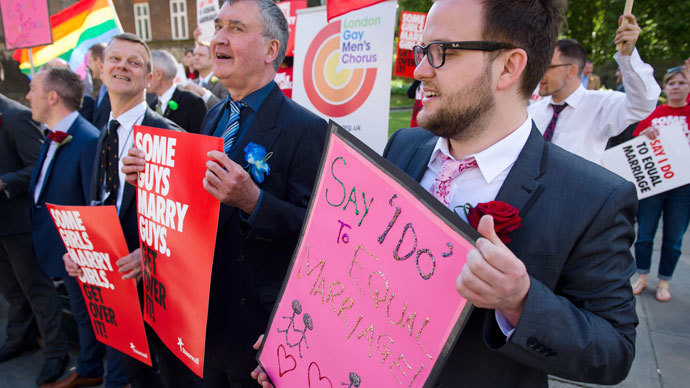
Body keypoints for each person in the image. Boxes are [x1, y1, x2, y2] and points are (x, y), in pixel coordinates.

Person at [255, 0, 639, 386]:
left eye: (441, 52)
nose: (420, 70)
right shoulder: (404, 146)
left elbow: (613, 352)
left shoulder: (593, 198)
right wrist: (301, 347)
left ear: (508, 67)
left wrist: (521, 302)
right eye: (423, 52)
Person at [123, 1, 327, 387]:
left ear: (270, 51)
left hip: (256, 333)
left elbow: (315, 234)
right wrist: (153, 181)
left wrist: (255, 201)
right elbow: (195, 209)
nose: (218, 37)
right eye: (218, 27)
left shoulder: (307, 129)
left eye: (235, 28)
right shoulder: (214, 116)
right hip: (202, 319)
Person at [59, 33, 184, 388]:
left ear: (148, 78)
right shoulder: (103, 136)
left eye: (134, 62)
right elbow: (101, 205)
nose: (122, 67)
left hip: (161, 292)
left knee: (175, 380)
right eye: (115, 59)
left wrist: (152, 257)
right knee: (135, 376)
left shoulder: (168, 135)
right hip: (115, 290)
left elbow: (189, 222)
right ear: (101, 70)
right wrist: (81, 250)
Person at [26, 66, 106, 388]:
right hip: (57, 247)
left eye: (33, 88)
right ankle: (88, 365)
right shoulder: (52, 135)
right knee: (79, 309)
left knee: (87, 313)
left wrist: (83, 253)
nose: (28, 95)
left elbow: (93, 204)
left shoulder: (87, 140)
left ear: (52, 96)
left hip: (78, 254)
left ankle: (90, 369)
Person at [0, 63, 70, 386]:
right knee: (12, 290)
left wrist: (3, 183)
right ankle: (20, 338)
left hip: (19, 222)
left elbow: (38, 166)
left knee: (37, 289)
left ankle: (56, 351)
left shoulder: (14, 116)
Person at [528, 24, 660, 164]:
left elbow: (642, 103)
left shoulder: (601, 105)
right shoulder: (533, 112)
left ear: (572, 71)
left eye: (548, 67)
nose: (540, 73)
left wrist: (628, 56)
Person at [631, 67, 690, 302]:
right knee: (644, 234)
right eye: (671, 83)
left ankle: (664, 281)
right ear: (665, 87)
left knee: (674, 237)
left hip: (683, 187)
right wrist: (645, 134)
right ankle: (642, 276)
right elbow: (636, 141)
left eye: (681, 82)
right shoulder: (654, 113)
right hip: (654, 183)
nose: (676, 87)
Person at [148, 50, 207, 133]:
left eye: (147, 72)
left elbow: (203, 139)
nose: (144, 77)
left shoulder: (192, 102)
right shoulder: (151, 105)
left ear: (158, 74)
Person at [46, 58, 96, 123]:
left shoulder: (85, 101)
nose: (58, 76)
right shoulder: (44, 102)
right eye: (52, 71)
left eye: (63, 71)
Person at [183, 43, 230, 109]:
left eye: (201, 55)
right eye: (194, 55)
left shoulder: (224, 82)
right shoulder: (192, 83)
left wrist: (204, 93)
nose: (196, 58)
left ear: (213, 58)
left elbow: (227, 109)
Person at [88, 43, 111, 130]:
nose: (89, 66)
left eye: (90, 62)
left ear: (98, 62)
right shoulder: (102, 89)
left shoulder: (113, 89)